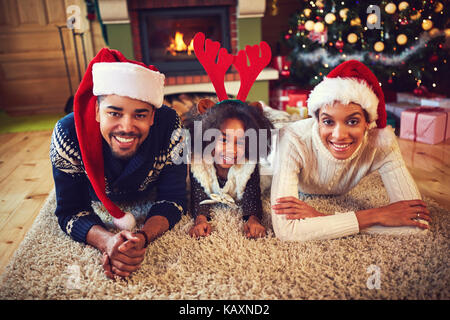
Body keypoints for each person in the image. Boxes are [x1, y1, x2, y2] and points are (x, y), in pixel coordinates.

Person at [50, 48, 187, 279]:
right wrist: (107, 241)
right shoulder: (67, 134)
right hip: (98, 197)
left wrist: (141, 238)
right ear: (96, 111)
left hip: (146, 191)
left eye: (140, 115)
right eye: (114, 113)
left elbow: (173, 199)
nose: (126, 127)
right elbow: (70, 210)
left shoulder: (171, 125)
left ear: (153, 116)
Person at [271, 60, 431, 241]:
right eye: (328, 121)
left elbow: (417, 224)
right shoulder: (292, 139)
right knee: (263, 118)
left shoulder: (382, 143)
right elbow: (286, 230)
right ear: (317, 120)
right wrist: (375, 215)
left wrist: (322, 220)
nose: (339, 135)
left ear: (368, 123)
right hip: (274, 135)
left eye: (352, 121)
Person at [185, 99, 273, 239]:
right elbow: (198, 197)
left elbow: (252, 198)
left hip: (264, 175)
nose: (231, 150)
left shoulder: (249, 164)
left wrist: (253, 220)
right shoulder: (199, 163)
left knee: (270, 174)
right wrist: (200, 221)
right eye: (224, 140)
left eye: (240, 141)